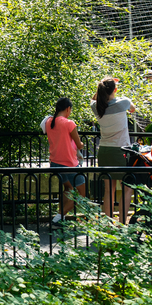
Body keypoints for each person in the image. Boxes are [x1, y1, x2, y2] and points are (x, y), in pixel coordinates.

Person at [92, 77, 135, 223]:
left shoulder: (96, 107)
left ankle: (109, 226)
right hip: (120, 151)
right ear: (115, 90)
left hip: (104, 151)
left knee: (108, 190)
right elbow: (133, 108)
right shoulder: (123, 102)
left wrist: (105, 84)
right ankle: (123, 224)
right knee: (127, 188)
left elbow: (95, 98)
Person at [42, 97, 86, 224]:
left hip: (55, 162)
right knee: (81, 195)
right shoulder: (69, 123)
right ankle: (58, 218)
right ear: (68, 109)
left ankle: (60, 219)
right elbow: (79, 144)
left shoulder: (49, 122)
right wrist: (81, 144)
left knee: (67, 188)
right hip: (69, 164)